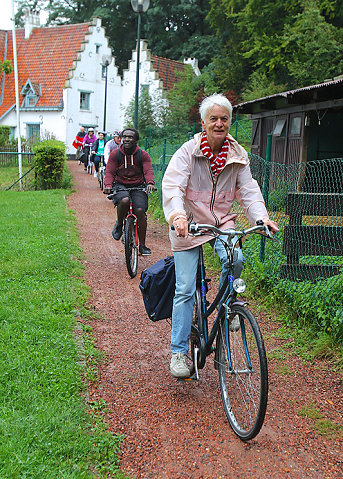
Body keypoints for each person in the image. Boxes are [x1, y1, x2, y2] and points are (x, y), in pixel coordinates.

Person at [162, 93, 279, 379]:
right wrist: (177, 216)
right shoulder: (187, 152)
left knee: (235, 256)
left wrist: (261, 217)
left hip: (221, 222)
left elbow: (249, 191)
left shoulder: (238, 155)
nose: (219, 123)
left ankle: (228, 306)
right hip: (188, 224)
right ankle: (178, 352)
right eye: (213, 118)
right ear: (203, 122)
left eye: (224, 118)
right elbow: (173, 186)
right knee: (186, 288)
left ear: (230, 121)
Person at [103, 128, 155, 256]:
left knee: (139, 211)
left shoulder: (143, 155)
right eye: (125, 136)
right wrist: (108, 185)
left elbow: (148, 171)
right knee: (124, 200)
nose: (127, 139)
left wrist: (150, 183)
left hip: (138, 186)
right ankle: (120, 225)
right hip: (120, 185)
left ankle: (142, 245)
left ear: (136, 140)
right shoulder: (115, 154)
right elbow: (109, 171)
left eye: (130, 137)